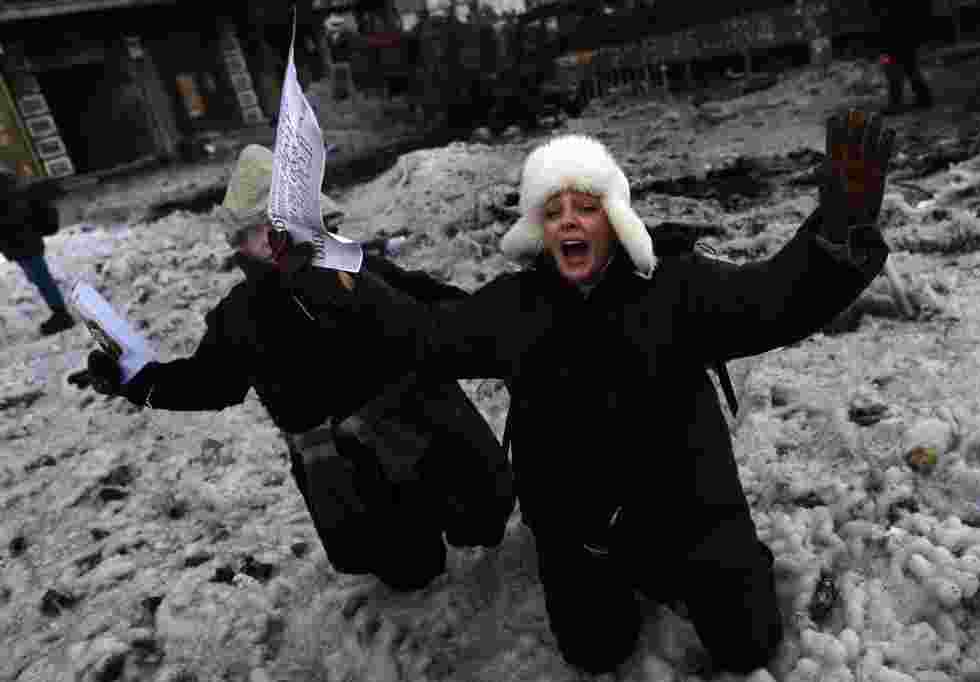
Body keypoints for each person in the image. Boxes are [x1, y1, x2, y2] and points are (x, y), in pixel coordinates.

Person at [279, 110, 896, 677]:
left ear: (615, 217)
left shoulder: (678, 285)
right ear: (539, 230)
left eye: (586, 205)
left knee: (749, 645)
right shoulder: (512, 308)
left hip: (692, 512)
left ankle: (722, 568)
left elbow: (775, 301)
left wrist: (840, 231)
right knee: (595, 653)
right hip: (579, 530)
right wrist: (335, 273)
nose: (569, 219)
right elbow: (424, 334)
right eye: (553, 210)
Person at [70, 144, 514, 593]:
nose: (273, 238)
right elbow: (207, 384)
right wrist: (132, 380)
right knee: (411, 573)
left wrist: (511, 322)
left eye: (281, 224)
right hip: (354, 471)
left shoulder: (352, 266)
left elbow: (437, 302)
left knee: (485, 529)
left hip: (431, 429)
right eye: (258, 231)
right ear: (243, 244)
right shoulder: (241, 315)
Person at [0, 166, 76, 336]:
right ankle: (59, 312)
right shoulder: (10, 184)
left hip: (22, 242)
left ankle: (62, 315)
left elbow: (13, 216)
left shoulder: (5, 188)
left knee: (42, 278)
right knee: (37, 278)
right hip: (22, 242)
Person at [870, 0, 934, 113]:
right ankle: (923, 98)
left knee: (894, 68)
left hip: (895, 30)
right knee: (909, 66)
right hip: (905, 29)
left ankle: (897, 103)